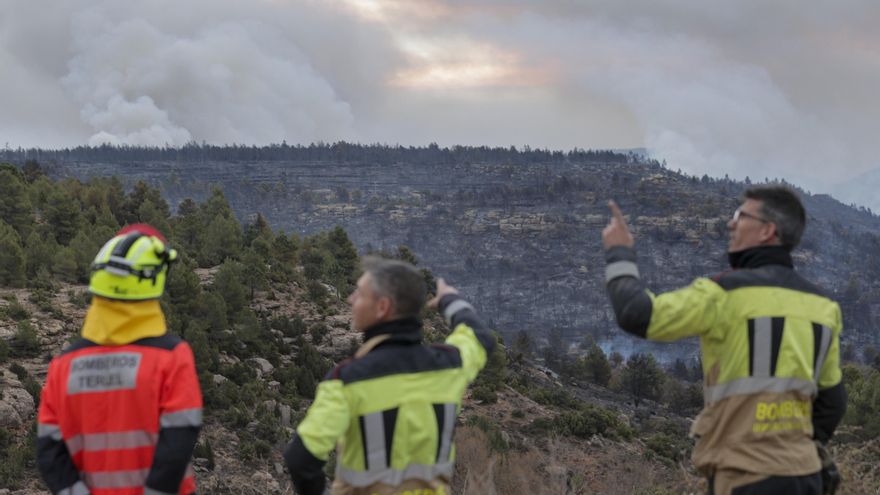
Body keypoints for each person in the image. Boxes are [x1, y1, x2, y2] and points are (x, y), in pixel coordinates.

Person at [602, 186, 846, 495]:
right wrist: (794, 451)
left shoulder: (723, 294)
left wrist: (619, 253)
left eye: (740, 216)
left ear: (767, 230)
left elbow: (636, 313)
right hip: (805, 476)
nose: (730, 223)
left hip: (745, 477)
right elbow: (833, 402)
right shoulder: (824, 307)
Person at [284, 256, 495, 495]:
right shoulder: (449, 366)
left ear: (382, 307)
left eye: (360, 293)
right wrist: (449, 299)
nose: (351, 299)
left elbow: (300, 459)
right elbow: (480, 337)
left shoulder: (347, 380)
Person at [37, 224, 203, 495]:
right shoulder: (171, 358)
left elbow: (49, 452)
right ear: (153, 282)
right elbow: (179, 441)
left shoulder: (63, 366)